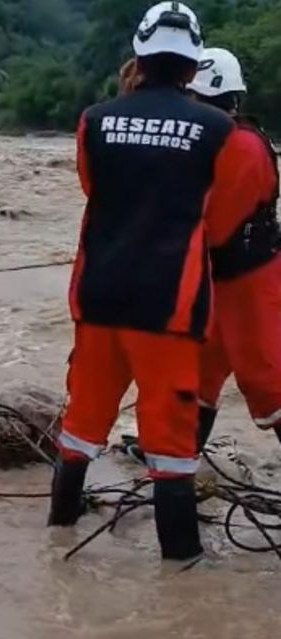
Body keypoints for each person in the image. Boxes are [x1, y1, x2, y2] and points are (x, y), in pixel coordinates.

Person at [48, 1, 254, 561]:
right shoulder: (217, 129)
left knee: (81, 425)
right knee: (171, 446)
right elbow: (221, 218)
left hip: (98, 296)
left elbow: (94, 189)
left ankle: (58, 530)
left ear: (139, 54)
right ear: (192, 66)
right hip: (169, 306)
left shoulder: (94, 119)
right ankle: (179, 570)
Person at [125, 48, 281, 463]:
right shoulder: (223, 140)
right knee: (199, 374)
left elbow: (215, 224)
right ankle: (179, 454)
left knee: (269, 383)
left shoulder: (240, 148)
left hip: (249, 283)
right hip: (220, 281)